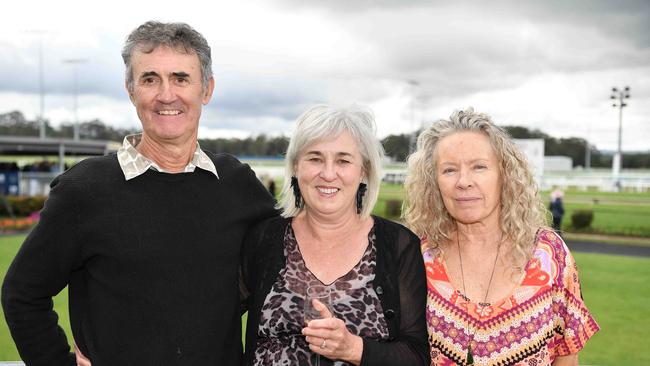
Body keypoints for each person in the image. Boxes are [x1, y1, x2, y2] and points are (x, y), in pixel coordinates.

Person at [1, 21, 277, 366]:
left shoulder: (237, 184)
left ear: (206, 89)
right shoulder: (83, 190)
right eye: (150, 79)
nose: (166, 95)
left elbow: (294, 256)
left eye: (180, 78)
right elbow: (22, 294)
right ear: (131, 89)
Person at [403, 108, 599, 366]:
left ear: (504, 174)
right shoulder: (416, 256)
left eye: (479, 167)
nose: (464, 181)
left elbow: (567, 355)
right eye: (449, 170)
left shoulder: (549, 254)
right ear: (434, 181)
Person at [241, 105, 430, 365]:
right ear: (296, 166)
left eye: (343, 160)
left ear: (363, 171)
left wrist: (353, 349)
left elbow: (417, 356)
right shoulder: (264, 239)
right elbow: (215, 319)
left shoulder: (398, 245)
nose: (328, 174)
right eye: (315, 158)